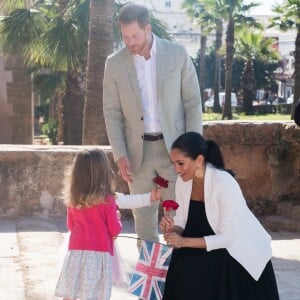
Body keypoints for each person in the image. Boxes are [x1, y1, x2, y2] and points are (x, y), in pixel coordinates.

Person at [103, 3, 202, 245]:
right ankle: (148, 279)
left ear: (148, 28)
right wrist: (120, 155)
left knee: (179, 216)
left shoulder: (177, 54)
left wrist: (193, 150)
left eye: (134, 36)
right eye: (125, 37)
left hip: (175, 151)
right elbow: (112, 112)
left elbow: (192, 103)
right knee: (144, 221)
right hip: (137, 154)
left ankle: (177, 277)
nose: (129, 42)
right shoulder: (114, 64)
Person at [159, 132, 280, 300]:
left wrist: (184, 241)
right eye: (174, 164)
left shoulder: (223, 182)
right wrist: (174, 230)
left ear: (199, 160)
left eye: (180, 163)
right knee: (182, 267)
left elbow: (228, 238)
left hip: (232, 253)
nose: (176, 170)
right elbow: (181, 219)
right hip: (198, 247)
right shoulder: (182, 182)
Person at [55, 149, 161, 300]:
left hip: (76, 252)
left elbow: (71, 226)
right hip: (99, 254)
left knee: (72, 289)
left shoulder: (72, 199)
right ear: (104, 173)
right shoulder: (108, 200)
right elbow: (114, 229)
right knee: (95, 293)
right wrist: (117, 218)